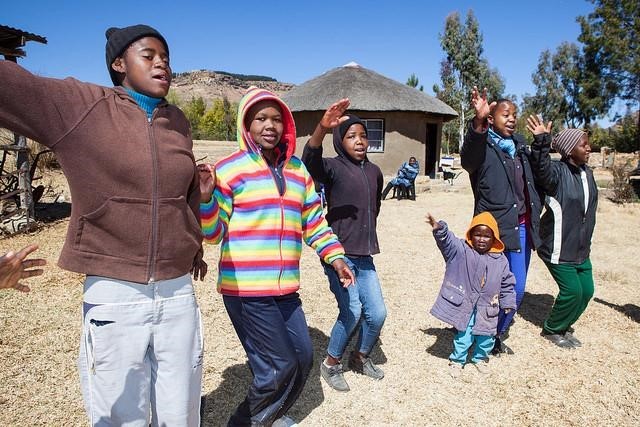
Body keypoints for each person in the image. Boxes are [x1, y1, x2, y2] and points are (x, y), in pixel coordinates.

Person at [0, 25, 206, 426]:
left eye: (166, 56)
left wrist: (193, 240)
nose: (161, 62)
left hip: (178, 290)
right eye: (149, 55)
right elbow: (10, 85)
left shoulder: (177, 121)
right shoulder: (82, 106)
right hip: (115, 292)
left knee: (181, 413)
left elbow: (184, 194)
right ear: (118, 64)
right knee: (120, 416)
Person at [199, 88, 354, 426]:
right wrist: (206, 198)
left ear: (286, 125)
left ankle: (269, 417)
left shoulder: (298, 171)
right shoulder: (230, 170)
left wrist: (335, 256)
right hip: (247, 289)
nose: (269, 125)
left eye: (276, 119)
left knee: (303, 358)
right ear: (245, 124)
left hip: (285, 290)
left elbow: (314, 222)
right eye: (260, 118)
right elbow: (212, 234)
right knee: (275, 368)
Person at [302, 99, 387, 392]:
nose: (360, 140)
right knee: (351, 310)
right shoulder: (332, 168)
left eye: (363, 135)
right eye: (351, 136)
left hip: (365, 256)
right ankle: (331, 363)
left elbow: (375, 207)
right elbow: (309, 160)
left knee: (376, 314)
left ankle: (360, 357)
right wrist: (322, 130)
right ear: (340, 141)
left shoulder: (375, 172)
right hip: (339, 255)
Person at [461, 87, 542, 355]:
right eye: (505, 114)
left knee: (515, 289)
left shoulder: (520, 147)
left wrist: (541, 142)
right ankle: (471, 331)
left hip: (520, 226)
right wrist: (478, 123)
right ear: (492, 118)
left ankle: (495, 334)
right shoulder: (483, 145)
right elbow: (468, 159)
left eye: (514, 114)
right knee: (482, 286)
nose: (511, 118)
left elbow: (542, 176)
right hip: (490, 230)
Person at [527, 118, 598, 349]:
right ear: (569, 150)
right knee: (572, 291)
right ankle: (552, 329)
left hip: (580, 248)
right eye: (583, 144)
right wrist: (541, 141)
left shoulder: (587, 173)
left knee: (586, 290)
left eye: (588, 144)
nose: (589, 148)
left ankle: (565, 325)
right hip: (558, 246)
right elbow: (540, 167)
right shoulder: (556, 173)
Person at [426, 211, 516, 377]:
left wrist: (508, 302)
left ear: (494, 238)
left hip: (488, 308)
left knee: (487, 336)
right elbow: (448, 242)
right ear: (471, 235)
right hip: (466, 306)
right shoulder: (462, 251)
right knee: (464, 335)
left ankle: (480, 358)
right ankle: (457, 360)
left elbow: (507, 283)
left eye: (487, 236)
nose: (481, 239)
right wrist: (439, 229)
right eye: (477, 234)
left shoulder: (501, 260)